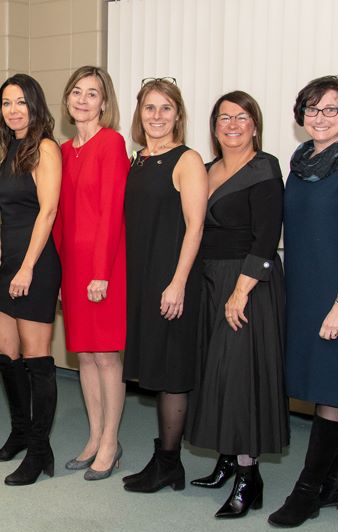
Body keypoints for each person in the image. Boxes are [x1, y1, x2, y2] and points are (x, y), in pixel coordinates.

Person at [267, 76, 338, 527]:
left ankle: (308, 491)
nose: (320, 118)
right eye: (312, 109)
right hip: (304, 289)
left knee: (332, 389)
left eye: (331, 110)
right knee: (316, 385)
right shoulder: (301, 163)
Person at [184, 91, 288, 519]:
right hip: (210, 280)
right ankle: (227, 459)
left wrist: (240, 291)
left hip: (248, 284)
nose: (232, 124)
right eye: (224, 117)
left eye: (241, 117)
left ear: (255, 124)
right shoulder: (205, 170)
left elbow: (266, 236)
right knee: (216, 373)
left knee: (242, 378)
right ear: (213, 127)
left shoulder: (265, 167)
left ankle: (250, 477)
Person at [120, 78, 206, 494]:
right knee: (155, 366)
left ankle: (169, 463)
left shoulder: (187, 160)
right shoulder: (136, 160)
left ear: (178, 115)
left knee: (172, 371)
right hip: (141, 276)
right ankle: (164, 459)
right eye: (149, 108)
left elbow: (195, 226)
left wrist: (178, 282)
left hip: (170, 279)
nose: (157, 116)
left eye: (165, 108)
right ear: (139, 113)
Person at [54, 65, 129, 480]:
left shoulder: (111, 143)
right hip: (74, 266)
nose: (83, 100)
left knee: (106, 355)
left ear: (105, 102)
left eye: (93, 94)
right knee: (84, 355)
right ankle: (94, 436)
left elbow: (111, 213)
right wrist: (64, 272)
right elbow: (61, 217)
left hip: (105, 266)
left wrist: (100, 272)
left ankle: (111, 442)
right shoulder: (64, 151)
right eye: (77, 92)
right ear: (67, 99)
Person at [0, 74, 62, 486]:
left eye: (20, 102)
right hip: (11, 257)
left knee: (37, 359)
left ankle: (38, 449)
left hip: (37, 261)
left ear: (35, 105)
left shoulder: (45, 149)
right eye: (6, 102)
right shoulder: (10, 149)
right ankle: (20, 432)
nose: (13, 109)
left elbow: (46, 213)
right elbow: (8, 214)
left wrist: (27, 267)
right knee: (3, 352)